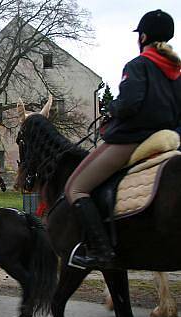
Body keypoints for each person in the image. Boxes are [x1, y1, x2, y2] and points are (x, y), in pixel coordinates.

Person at [65, 9, 181, 269]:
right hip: (168, 140)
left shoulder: (138, 65)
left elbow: (129, 105)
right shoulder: (177, 72)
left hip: (132, 140)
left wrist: (112, 109)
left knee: (76, 188)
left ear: (143, 37)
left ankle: (100, 251)